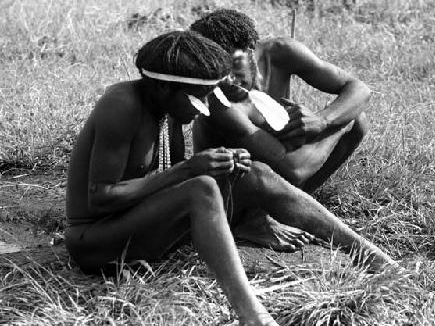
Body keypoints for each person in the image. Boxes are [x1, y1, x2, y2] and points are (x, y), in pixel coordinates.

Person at [65, 30, 396, 326]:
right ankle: (252, 315)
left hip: (141, 236)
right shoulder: (121, 104)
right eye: (199, 98)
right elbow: (102, 197)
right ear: (164, 87)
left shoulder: (168, 107)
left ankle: (377, 260)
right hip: (97, 245)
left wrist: (223, 166)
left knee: (253, 172)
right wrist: (191, 170)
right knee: (202, 187)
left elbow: (166, 185)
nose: (204, 108)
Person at [190, 9, 371, 251]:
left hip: (276, 155)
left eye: (234, 64)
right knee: (349, 120)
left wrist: (324, 120)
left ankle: (290, 205)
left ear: (251, 49)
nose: (228, 79)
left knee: (358, 121)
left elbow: (359, 89)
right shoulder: (221, 101)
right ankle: (249, 221)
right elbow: (295, 169)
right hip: (233, 187)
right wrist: (337, 126)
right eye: (217, 70)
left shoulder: (282, 52)